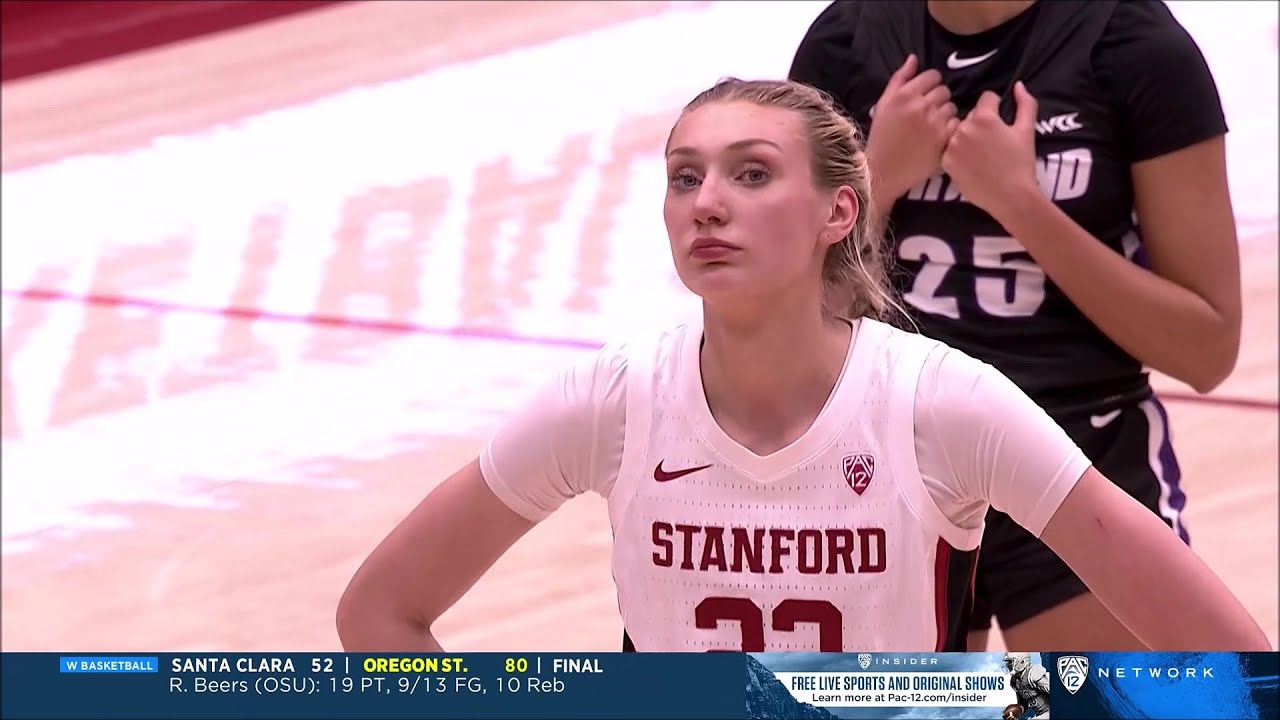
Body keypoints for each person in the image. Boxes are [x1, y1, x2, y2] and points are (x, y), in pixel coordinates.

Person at [335, 78, 1268, 654]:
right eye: (684, 176)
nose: (707, 203)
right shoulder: (614, 399)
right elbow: (377, 616)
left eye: (750, 173)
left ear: (839, 213)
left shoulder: (942, 403)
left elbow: (1227, 658)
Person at [787, 0, 1243, 651]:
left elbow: (1207, 348)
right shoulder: (846, 43)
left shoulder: (1135, 45)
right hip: (895, 459)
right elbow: (798, 320)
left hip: (1080, 447)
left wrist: (1019, 204)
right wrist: (877, 180)